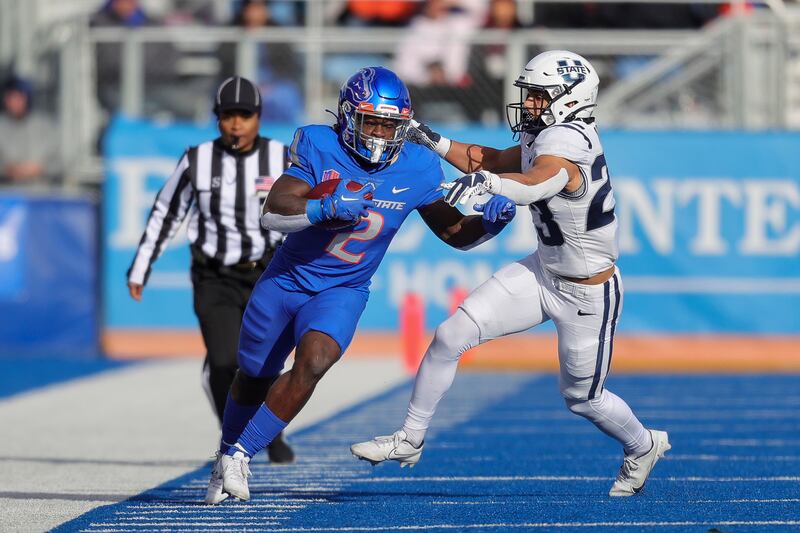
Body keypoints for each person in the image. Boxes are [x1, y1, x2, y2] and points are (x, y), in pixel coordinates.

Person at [351, 51, 671, 497]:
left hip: (587, 293)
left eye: (539, 96)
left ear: (569, 99)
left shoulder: (568, 142)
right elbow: (492, 158)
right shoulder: (543, 134)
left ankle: (643, 444)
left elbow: (540, 180)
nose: (530, 104)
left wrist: (494, 186)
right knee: (450, 335)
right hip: (543, 271)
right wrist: (429, 139)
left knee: (582, 399)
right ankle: (410, 437)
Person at [204, 66, 517, 505]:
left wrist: (487, 225)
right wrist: (324, 207)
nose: (380, 133)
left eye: (390, 124)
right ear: (349, 116)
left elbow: (454, 234)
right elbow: (273, 212)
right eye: (371, 121)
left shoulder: (418, 164)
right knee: (253, 375)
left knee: (315, 361)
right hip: (287, 280)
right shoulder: (320, 143)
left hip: (343, 290)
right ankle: (225, 452)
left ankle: (239, 455)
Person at [127, 76, 295, 465]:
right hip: (214, 275)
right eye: (227, 115)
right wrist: (141, 267)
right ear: (216, 118)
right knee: (224, 362)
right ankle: (234, 442)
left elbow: (301, 211)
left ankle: (272, 431)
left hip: (264, 273)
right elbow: (167, 213)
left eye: (245, 115)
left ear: (259, 117)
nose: (236, 123)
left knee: (264, 362)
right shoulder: (197, 160)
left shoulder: (281, 158)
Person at [0, 76, 62, 184]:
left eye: (19, 97)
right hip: (6, 191)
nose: (14, 103)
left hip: (41, 191)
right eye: (10, 98)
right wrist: (9, 170)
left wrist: (39, 169)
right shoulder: (2, 125)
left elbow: (59, 162)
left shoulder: (44, 126)